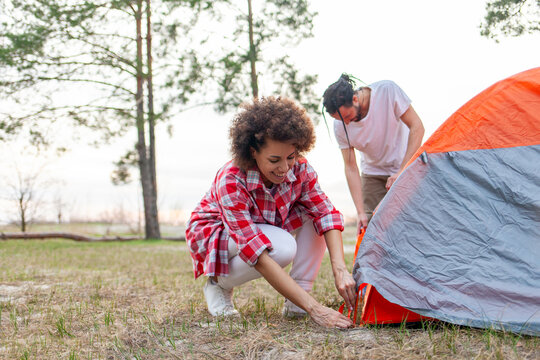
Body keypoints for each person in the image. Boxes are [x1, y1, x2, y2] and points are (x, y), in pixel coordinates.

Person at [185, 96, 355, 328]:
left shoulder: (301, 170)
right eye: (274, 159)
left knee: (312, 214)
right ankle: (218, 283)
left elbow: (326, 214)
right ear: (253, 151)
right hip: (216, 232)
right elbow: (257, 253)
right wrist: (315, 309)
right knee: (283, 248)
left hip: (266, 227)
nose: (285, 168)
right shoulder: (232, 179)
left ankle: (297, 299)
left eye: (291, 156)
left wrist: (340, 269)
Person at [322, 74, 425, 234]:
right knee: (372, 228)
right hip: (373, 174)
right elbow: (350, 167)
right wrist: (360, 211)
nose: (346, 123)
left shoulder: (387, 92)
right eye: (341, 120)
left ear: (355, 99)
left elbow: (417, 127)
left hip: (405, 165)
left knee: (412, 224)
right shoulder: (340, 126)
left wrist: (402, 171)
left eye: (348, 116)